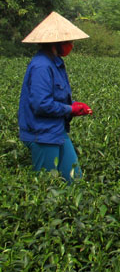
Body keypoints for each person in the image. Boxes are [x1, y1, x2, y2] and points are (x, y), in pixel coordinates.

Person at [18, 11, 93, 183]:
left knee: (74, 180)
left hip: (57, 130)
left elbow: (55, 98)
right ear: (56, 43)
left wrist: (74, 106)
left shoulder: (55, 63)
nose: (71, 46)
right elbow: (41, 104)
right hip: (42, 134)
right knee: (47, 185)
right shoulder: (42, 66)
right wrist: (70, 109)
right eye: (69, 42)